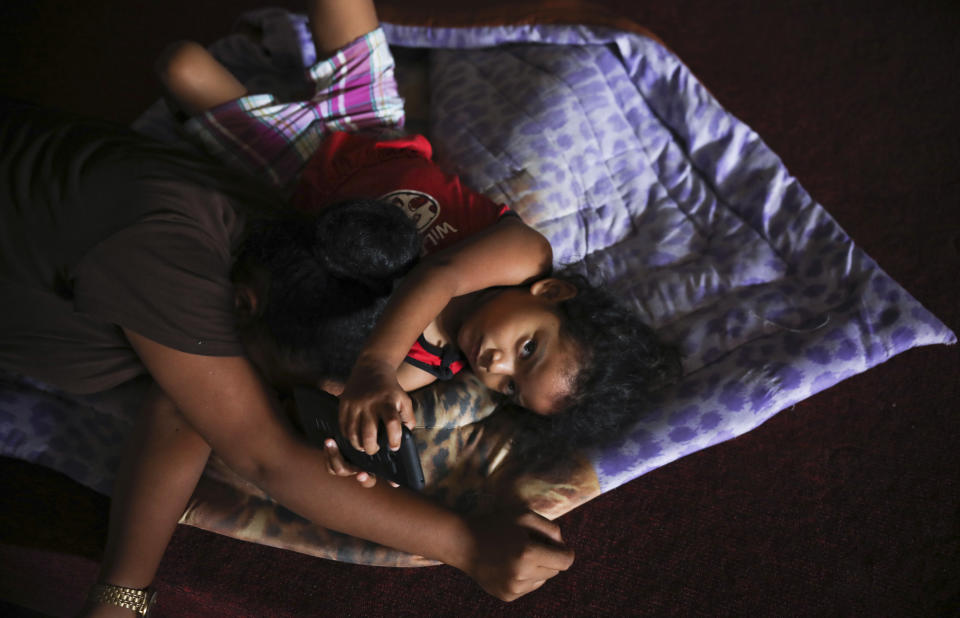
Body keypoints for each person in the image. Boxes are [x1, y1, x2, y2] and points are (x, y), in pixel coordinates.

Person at [157, 0, 682, 469]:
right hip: (372, 127)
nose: (495, 367)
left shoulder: (432, 365)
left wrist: (354, 431)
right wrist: (377, 367)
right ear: (552, 293)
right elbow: (439, 275)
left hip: (295, 173)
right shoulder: (524, 258)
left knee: (179, 65)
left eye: (510, 391)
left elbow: (335, 389)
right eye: (527, 350)